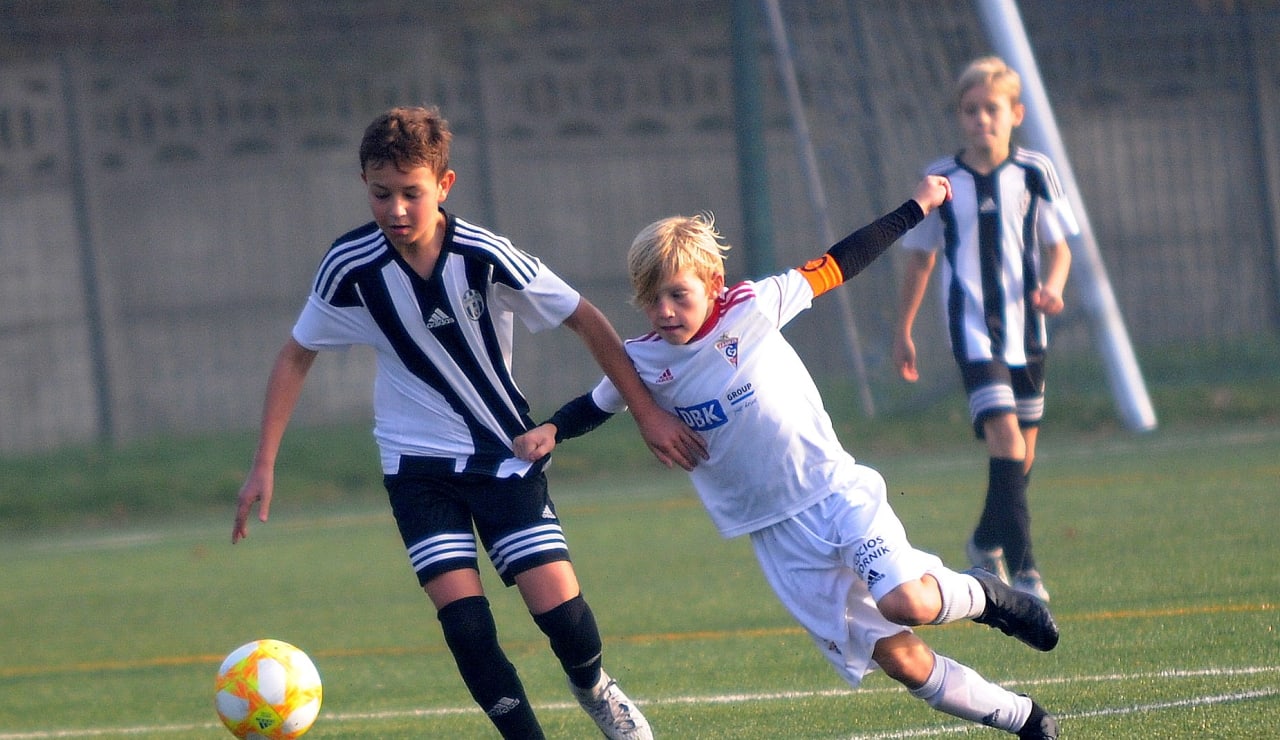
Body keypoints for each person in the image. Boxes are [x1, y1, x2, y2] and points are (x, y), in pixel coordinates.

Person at [514, 177, 1062, 739]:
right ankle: (1025, 719)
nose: (665, 311)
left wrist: (917, 206)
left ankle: (986, 596)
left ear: (713, 284)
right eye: (652, 299)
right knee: (903, 662)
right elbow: (597, 403)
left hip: (836, 494)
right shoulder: (645, 362)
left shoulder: (753, 307)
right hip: (777, 538)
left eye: (678, 294)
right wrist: (553, 429)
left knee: (906, 602)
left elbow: (841, 262)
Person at [232, 105, 707, 740]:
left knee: (562, 615)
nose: (397, 209)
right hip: (417, 470)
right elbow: (296, 355)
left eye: (412, 193)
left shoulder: (485, 256)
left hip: (505, 454)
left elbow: (587, 319)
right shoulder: (350, 266)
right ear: (364, 185)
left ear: (444, 185)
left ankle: (595, 687)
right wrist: (264, 463)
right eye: (381, 194)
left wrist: (646, 413)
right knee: (466, 626)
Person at [894, 56, 1077, 602]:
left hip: (1028, 332)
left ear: (1015, 114)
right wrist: (904, 330)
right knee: (1006, 438)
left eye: (991, 109)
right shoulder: (941, 181)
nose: (981, 119)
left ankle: (984, 540)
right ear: (960, 116)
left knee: (1021, 457)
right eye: (970, 110)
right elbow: (921, 259)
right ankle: (1025, 572)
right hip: (973, 332)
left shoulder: (1035, 172)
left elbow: (1059, 248)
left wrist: (1054, 288)